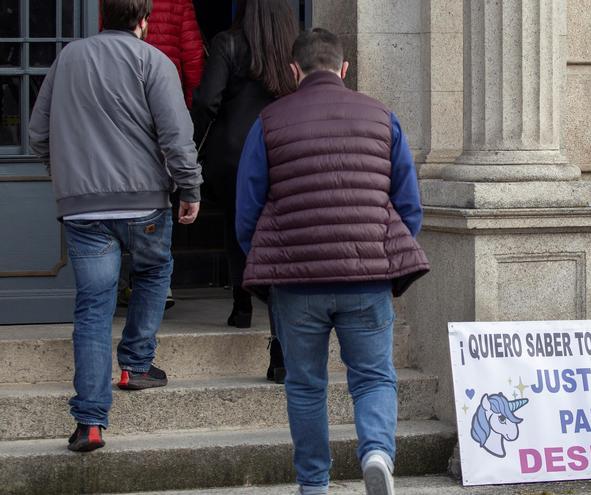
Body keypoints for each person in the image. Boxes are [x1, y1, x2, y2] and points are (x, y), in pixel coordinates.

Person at [236, 28, 430, 495]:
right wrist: (383, 256)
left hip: (296, 284)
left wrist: (269, 263)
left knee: (305, 386)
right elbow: (409, 205)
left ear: (293, 70)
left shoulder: (268, 121)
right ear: (345, 69)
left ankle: (313, 485)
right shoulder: (383, 117)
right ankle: (378, 453)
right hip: (367, 279)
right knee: (373, 377)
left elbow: (248, 210)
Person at [28, 0, 202, 452]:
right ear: (143, 21)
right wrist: (190, 189)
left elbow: (36, 135)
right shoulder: (154, 61)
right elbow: (176, 136)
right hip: (144, 204)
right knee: (154, 272)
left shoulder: (68, 57)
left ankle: (89, 424)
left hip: (83, 210)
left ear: (102, 18)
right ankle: (136, 365)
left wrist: (64, 173)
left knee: (93, 308)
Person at [191, 0, 297, 384]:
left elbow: (207, 99)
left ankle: (241, 305)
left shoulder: (228, 43)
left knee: (240, 224)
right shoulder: (296, 48)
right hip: (284, 150)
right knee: (280, 241)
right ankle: (281, 348)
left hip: (234, 152)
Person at [143, 0, 204, 108]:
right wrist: (191, 106)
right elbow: (193, 57)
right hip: (166, 95)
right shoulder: (180, 2)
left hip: (125, 93)